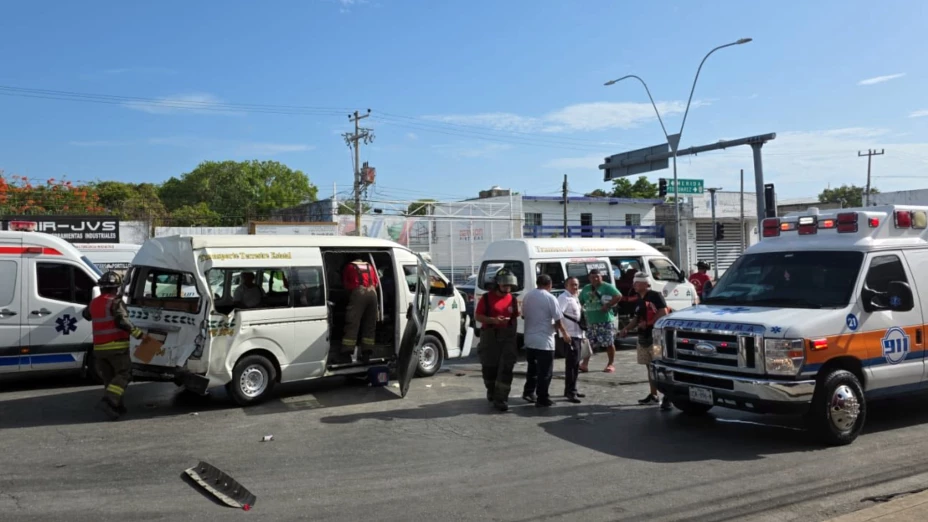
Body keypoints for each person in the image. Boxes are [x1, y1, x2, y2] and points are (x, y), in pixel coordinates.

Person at [81, 271, 146, 421]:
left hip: (99, 349)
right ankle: (109, 401)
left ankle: (116, 407)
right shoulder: (115, 302)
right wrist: (139, 335)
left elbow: (86, 315)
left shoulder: (94, 302)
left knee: (110, 379)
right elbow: (122, 321)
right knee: (125, 374)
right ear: (116, 288)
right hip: (116, 346)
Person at [620, 272, 672, 409]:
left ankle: (668, 396)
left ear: (645, 283)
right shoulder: (638, 299)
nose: (634, 285)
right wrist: (626, 328)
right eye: (634, 282)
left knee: (660, 366)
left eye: (637, 282)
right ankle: (653, 395)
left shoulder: (655, 295)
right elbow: (637, 318)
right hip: (643, 337)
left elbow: (663, 312)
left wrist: (650, 323)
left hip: (656, 338)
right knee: (649, 367)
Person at [520, 274, 572, 408]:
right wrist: (565, 334)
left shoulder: (528, 296)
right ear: (549, 285)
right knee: (545, 372)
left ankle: (528, 392)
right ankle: (542, 398)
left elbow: (524, 316)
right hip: (545, 341)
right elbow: (558, 319)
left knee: (532, 369)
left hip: (530, 339)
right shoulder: (550, 298)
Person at [474, 269, 520, 412]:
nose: (508, 288)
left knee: (506, 368)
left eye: (510, 286)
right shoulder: (486, 298)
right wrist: (493, 320)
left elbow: (515, 315)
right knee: (489, 368)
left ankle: (501, 399)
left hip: (508, 337)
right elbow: (478, 316)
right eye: (505, 285)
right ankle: (491, 390)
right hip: (490, 337)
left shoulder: (512, 299)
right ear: (498, 284)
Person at [578, 269, 623, 373]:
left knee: (609, 343)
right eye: (592, 277)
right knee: (589, 344)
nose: (595, 279)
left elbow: (618, 296)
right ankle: (584, 364)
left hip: (605, 320)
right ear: (589, 278)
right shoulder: (586, 288)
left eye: (597, 276)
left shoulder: (607, 286)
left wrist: (608, 305)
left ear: (601, 277)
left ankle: (610, 364)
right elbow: (580, 301)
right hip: (591, 321)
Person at [341, 258, 380, 364]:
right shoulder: (370, 266)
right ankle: (366, 354)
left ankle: (347, 354)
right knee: (370, 324)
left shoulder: (349, 266)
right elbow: (376, 283)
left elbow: (346, 285)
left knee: (353, 323)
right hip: (372, 293)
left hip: (359, 292)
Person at [558, 277, 586, 403]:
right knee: (571, 365)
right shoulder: (564, 298)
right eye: (572, 285)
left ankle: (572, 388)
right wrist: (564, 333)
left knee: (575, 364)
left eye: (576, 285)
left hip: (578, 334)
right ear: (566, 286)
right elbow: (558, 316)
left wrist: (583, 335)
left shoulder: (575, 297)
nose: (575, 287)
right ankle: (570, 392)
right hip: (570, 336)